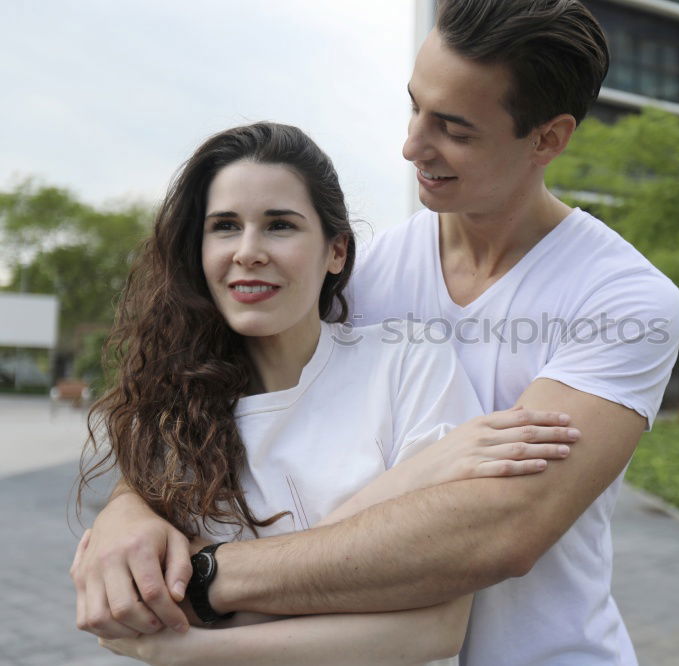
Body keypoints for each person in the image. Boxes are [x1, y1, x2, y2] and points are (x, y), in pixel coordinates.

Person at [74, 1, 679, 663]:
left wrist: (204, 579)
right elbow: (209, 405)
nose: (412, 146)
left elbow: (501, 529)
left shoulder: (623, 298)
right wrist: (131, 508)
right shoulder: (362, 276)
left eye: (453, 128)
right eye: (415, 107)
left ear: (547, 139)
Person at [74, 121, 580, 665]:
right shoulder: (173, 415)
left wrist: (189, 648)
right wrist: (412, 479)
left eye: (279, 226)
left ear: (336, 251)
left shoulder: (406, 360)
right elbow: (160, 608)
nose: (248, 251)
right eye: (224, 226)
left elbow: (437, 625)